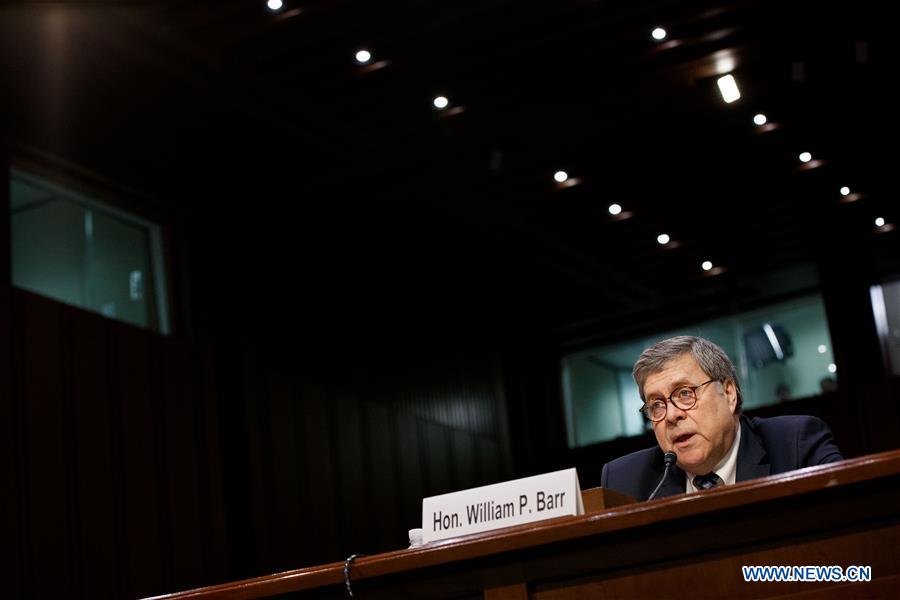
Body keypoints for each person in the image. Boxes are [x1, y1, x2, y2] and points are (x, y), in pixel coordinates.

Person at [600, 336, 843, 500]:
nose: (672, 415)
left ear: (728, 394)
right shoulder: (626, 480)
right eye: (656, 404)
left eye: (685, 394)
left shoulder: (796, 445)